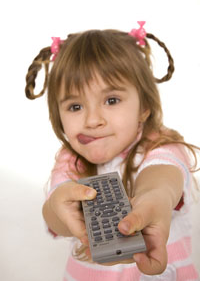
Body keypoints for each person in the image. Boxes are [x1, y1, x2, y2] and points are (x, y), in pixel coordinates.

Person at [25, 22, 200, 280]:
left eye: (111, 100)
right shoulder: (70, 162)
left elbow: (162, 178)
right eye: (75, 106)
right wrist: (57, 207)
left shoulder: (160, 145)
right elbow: (55, 218)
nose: (93, 120)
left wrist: (155, 198)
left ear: (144, 107)